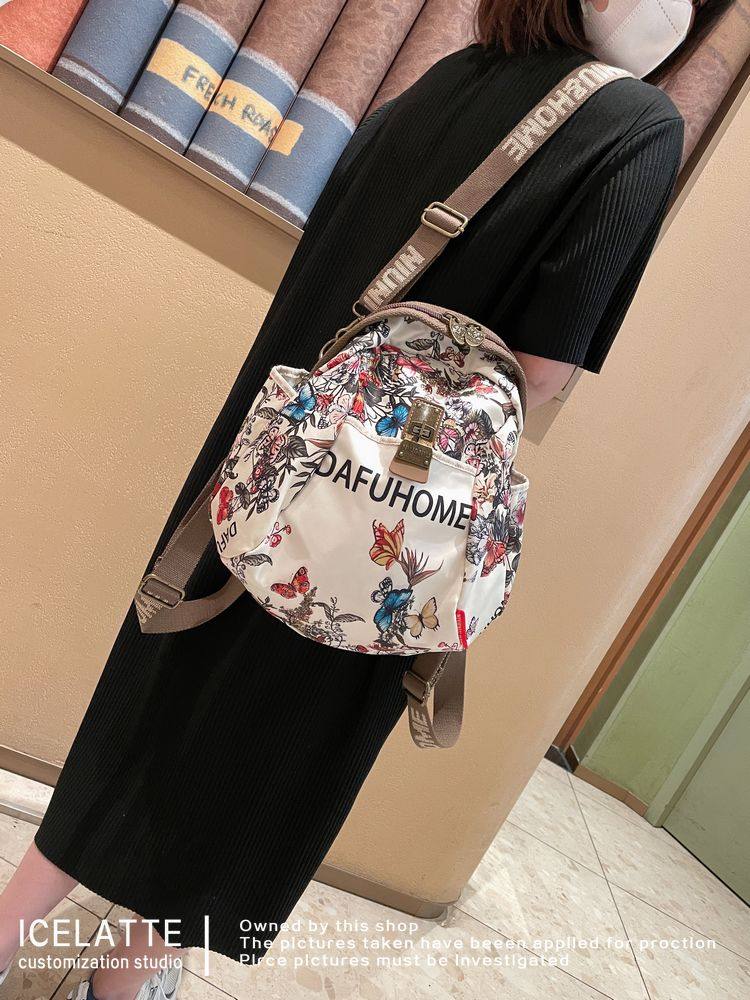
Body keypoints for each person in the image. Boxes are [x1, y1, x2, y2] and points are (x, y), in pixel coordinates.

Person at [0, 1, 733, 997]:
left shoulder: (448, 79)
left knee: (169, 670)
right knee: (276, 738)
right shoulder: (636, 127)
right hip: (387, 507)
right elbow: (537, 373)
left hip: (271, 446)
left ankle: (17, 923)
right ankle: (127, 977)